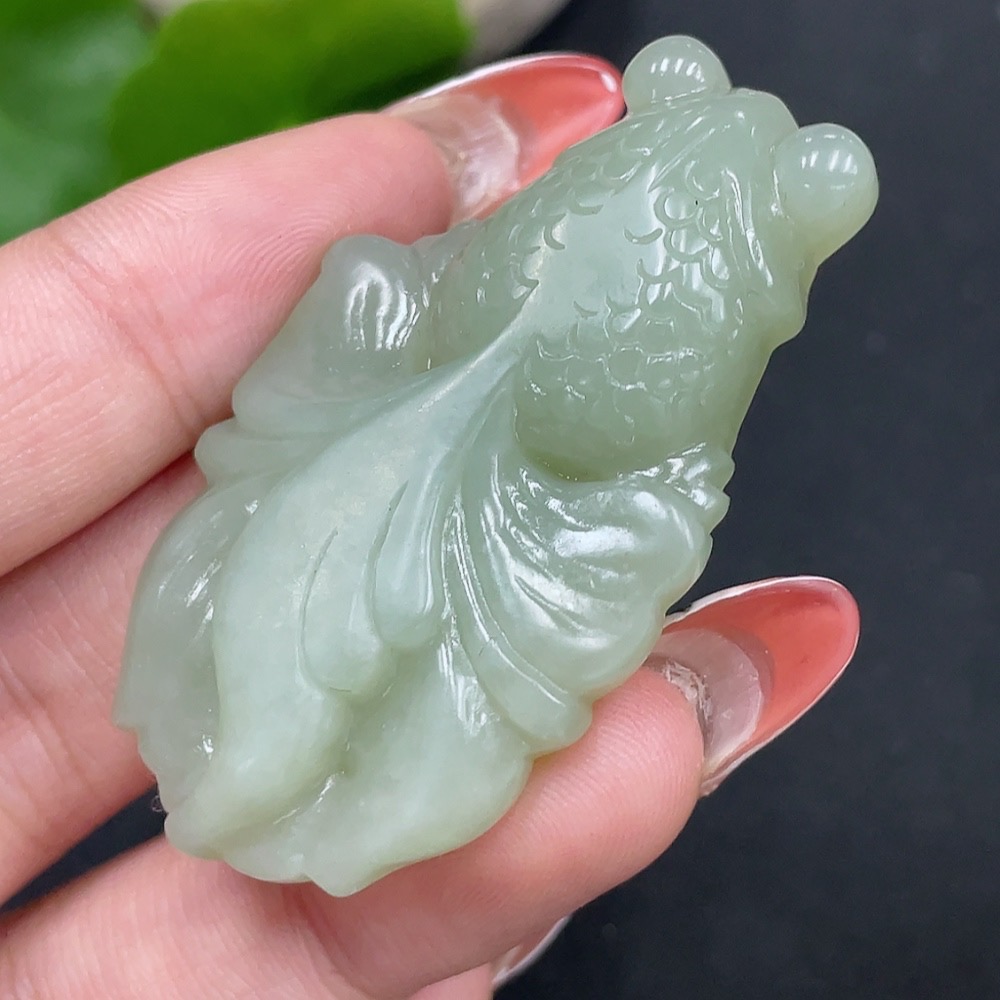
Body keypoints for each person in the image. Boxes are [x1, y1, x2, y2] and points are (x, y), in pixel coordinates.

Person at [0, 55, 840, 998]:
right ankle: (260, 765)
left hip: (538, 513)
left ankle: (288, 772)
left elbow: (658, 445)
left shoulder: (688, 338)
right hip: (427, 393)